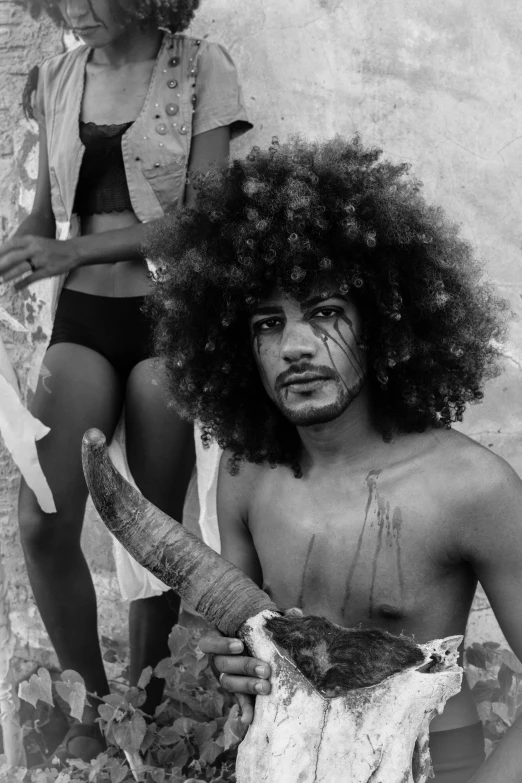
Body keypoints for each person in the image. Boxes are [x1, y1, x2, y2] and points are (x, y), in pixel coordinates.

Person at [146, 136, 522, 783]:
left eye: (323, 313)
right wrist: (229, 664)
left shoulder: (472, 487)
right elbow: (236, 646)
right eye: (267, 323)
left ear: (379, 324)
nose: (293, 346)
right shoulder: (244, 474)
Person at [0, 0, 251, 761]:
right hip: (79, 323)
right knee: (43, 516)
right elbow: (42, 217)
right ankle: (92, 710)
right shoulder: (55, 76)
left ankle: (142, 707)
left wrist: (69, 255)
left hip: (168, 320)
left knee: (151, 530)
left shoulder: (203, 66)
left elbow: (203, 220)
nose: (76, 6)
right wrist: (19, 249)